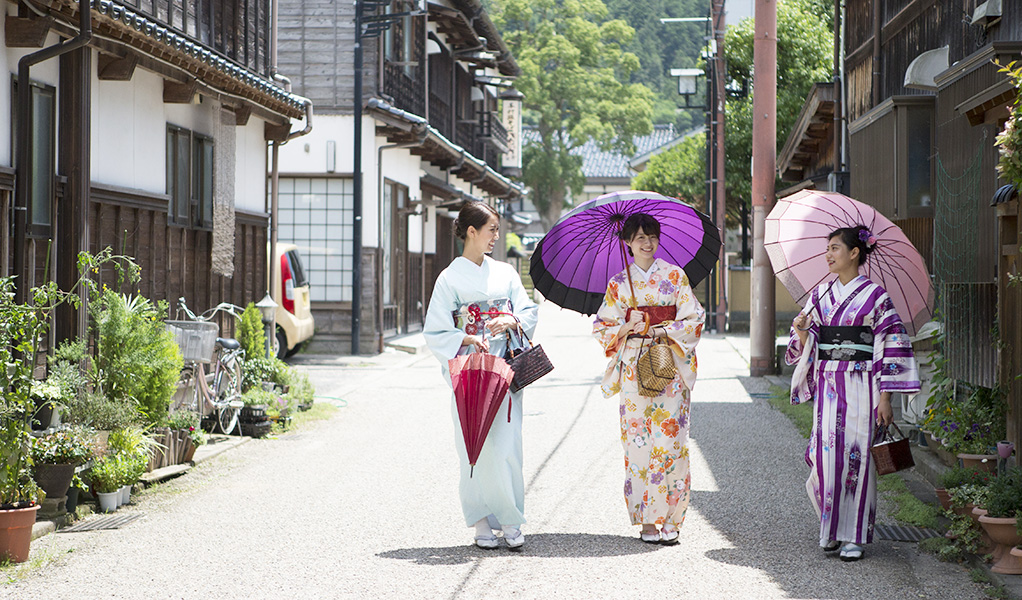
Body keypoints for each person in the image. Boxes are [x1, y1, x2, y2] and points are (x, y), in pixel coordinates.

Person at [785, 225, 920, 562]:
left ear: (854, 252)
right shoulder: (819, 296)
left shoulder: (877, 297)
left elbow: (892, 345)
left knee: (857, 459)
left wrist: (886, 397)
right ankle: (830, 530)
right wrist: (803, 332)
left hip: (862, 384)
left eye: (834, 248)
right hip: (830, 384)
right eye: (826, 249)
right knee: (826, 458)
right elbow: (807, 344)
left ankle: (854, 535)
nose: (828, 255)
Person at [423, 201, 539, 550]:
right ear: (471, 232)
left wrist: (512, 320)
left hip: (504, 368)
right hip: (471, 370)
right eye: (491, 230)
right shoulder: (449, 278)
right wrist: (463, 337)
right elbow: (436, 329)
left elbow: (527, 309)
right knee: (472, 444)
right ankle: (480, 522)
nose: (496, 236)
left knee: (506, 446)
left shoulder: (504, 272)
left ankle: (510, 518)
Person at [592, 213, 705, 545]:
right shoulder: (618, 284)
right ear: (627, 242)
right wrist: (627, 326)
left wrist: (660, 328)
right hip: (632, 367)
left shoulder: (674, 275)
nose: (646, 242)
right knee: (638, 442)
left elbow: (694, 318)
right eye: (639, 237)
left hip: (666, 360)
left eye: (651, 236)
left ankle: (672, 518)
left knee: (671, 441)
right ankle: (647, 520)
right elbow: (601, 327)